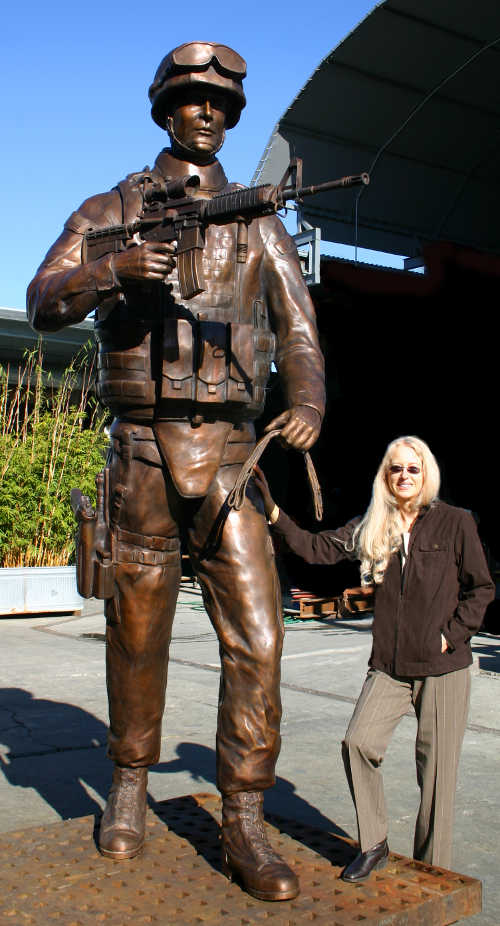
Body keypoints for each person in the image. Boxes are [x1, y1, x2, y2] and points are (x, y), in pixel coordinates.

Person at [27, 42, 325, 902]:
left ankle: (243, 815)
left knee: (260, 640)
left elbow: (299, 330)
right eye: (192, 100)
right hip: (145, 454)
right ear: (165, 110)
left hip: (234, 458)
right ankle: (127, 785)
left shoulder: (258, 221)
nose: (207, 114)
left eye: (220, 105)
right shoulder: (106, 208)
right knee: (138, 631)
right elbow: (45, 299)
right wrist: (108, 271)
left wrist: (306, 399)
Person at [254, 436, 494, 881]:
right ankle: (375, 844)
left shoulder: (454, 523)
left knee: (436, 778)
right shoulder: (374, 524)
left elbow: (481, 588)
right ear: (385, 476)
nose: (404, 476)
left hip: (443, 669)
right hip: (389, 667)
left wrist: (452, 635)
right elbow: (316, 548)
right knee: (358, 744)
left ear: (427, 475)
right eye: (396, 469)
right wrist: (273, 512)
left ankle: (432, 873)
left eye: (412, 469)